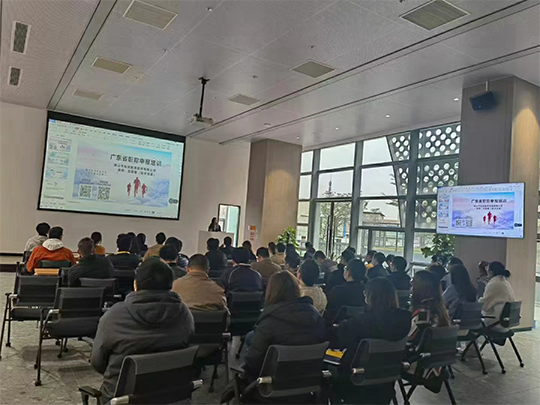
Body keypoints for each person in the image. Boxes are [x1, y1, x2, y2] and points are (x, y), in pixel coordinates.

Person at [91, 258, 194, 404]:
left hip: (123, 398)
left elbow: (98, 362)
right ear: (171, 285)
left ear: (135, 284)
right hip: (170, 395)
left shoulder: (115, 315)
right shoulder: (185, 314)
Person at [331, 278, 411, 405]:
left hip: (354, 382)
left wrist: (340, 326)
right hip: (386, 385)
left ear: (369, 297)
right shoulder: (405, 320)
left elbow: (337, 340)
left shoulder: (361, 321)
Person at [244, 271, 326, 387]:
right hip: (308, 383)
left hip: (272, 386)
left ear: (271, 291)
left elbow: (253, 361)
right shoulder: (316, 317)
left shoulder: (269, 322)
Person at [408, 271, 451, 346]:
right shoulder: (441, 310)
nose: (411, 289)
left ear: (419, 288)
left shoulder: (423, 314)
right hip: (437, 351)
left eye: (413, 285)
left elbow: (409, 337)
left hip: (418, 352)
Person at [325, 259, 367, 323]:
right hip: (362, 325)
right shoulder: (367, 291)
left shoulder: (337, 291)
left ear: (348, 273)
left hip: (338, 326)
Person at [479, 261, 516, 331]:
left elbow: (484, 306)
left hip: (496, 323)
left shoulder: (494, 283)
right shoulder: (505, 283)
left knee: (472, 322)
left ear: (491, 272)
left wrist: (477, 302)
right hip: (505, 322)